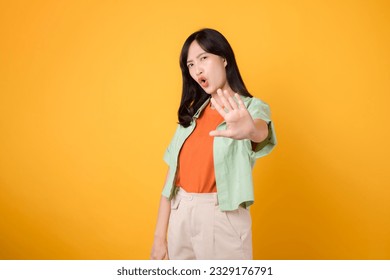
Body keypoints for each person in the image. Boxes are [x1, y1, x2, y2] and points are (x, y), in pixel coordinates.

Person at [150, 28, 276, 260]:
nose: (197, 69)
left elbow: (260, 130)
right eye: (190, 65)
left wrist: (250, 130)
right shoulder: (190, 118)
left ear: (224, 58)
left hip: (221, 217)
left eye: (203, 58)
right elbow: (170, 180)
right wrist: (160, 236)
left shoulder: (250, 108)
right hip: (181, 214)